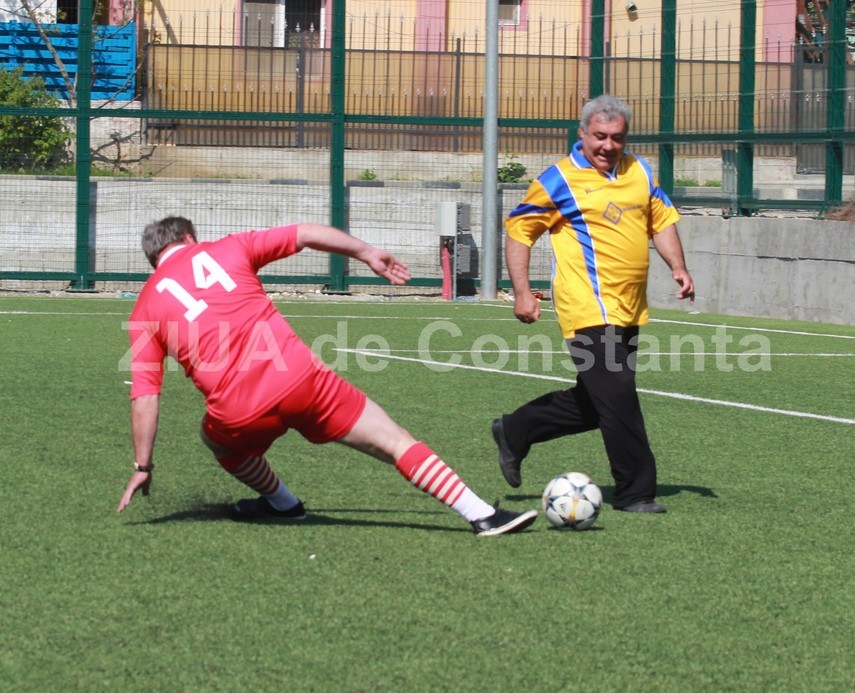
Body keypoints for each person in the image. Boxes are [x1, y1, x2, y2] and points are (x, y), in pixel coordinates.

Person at [118, 216, 537, 536]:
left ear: (154, 259)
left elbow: (145, 396)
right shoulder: (228, 248)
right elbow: (305, 232)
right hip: (302, 381)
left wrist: (143, 463)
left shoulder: (144, 310)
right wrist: (367, 252)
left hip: (238, 410)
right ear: (189, 238)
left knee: (213, 439)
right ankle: (481, 514)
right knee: (394, 441)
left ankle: (282, 503)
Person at [492, 94, 695, 513]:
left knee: (593, 404)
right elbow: (519, 232)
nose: (607, 146)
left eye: (616, 138)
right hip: (586, 306)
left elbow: (662, 221)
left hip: (629, 307)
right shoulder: (558, 179)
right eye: (599, 136)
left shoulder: (639, 170)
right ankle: (636, 491)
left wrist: (679, 266)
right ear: (582, 133)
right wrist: (522, 292)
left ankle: (515, 429)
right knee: (619, 394)